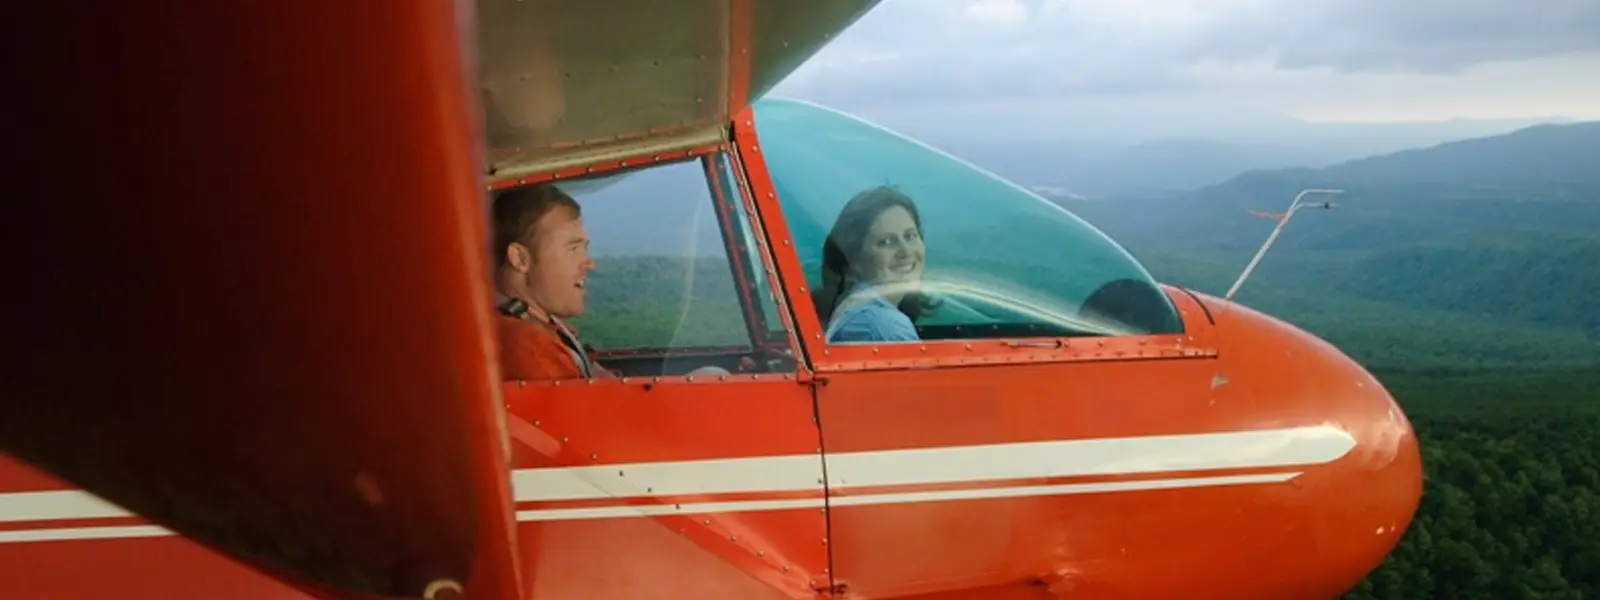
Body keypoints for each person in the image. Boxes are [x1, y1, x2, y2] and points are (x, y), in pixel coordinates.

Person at [490, 183, 614, 380]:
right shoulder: (528, 347)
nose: (589, 263)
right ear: (520, 259)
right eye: (572, 249)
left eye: (584, 247)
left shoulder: (543, 324)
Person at [811, 186, 938, 343]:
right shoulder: (882, 325)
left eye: (910, 236)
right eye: (885, 242)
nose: (905, 251)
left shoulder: (856, 309)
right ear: (855, 260)